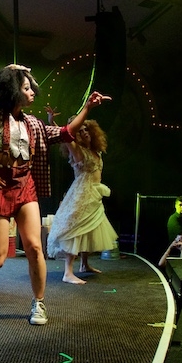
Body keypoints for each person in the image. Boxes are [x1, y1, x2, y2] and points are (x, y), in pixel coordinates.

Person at [0, 64, 110, 325]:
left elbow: (64, 133)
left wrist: (87, 107)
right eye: (26, 88)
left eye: (31, 88)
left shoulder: (33, 123)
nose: (32, 93)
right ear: (12, 90)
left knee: (34, 247)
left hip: (25, 185)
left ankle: (39, 303)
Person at [45, 118, 118, 284]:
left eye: (86, 129)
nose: (84, 133)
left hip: (94, 195)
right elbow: (66, 135)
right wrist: (53, 123)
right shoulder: (77, 151)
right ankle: (68, 272)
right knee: (77, 230)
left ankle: (84, 264)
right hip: (81, 195)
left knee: (89, 229)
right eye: (80, 131)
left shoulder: (95, 151)